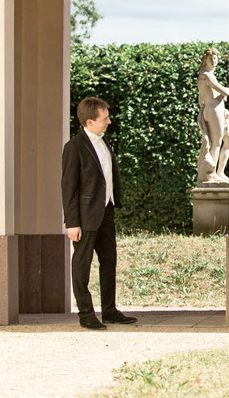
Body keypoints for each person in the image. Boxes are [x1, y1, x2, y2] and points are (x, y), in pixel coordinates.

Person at [61, 96, 138, 330]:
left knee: (109, 260)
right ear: (90, 122)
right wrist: (72, 222)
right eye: (105, 118)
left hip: (106, 212)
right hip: (84, 218)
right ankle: (86, 314)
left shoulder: (105, 143)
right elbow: (68, 187)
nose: (109, 122)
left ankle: (110, 311)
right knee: (82, 265)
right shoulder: (74, 147)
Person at [196, 47, 229, 183]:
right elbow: (224, 91)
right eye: (211, 58)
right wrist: (226, 91)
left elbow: (200, 99)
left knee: (227, 141)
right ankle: (212, 173)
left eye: (215, 58)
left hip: (213, 109)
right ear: (205, 60)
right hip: (214, 110)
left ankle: (220, 172)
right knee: (216, 142)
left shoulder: (204, 75)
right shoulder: (207, 75)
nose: (214, 61)